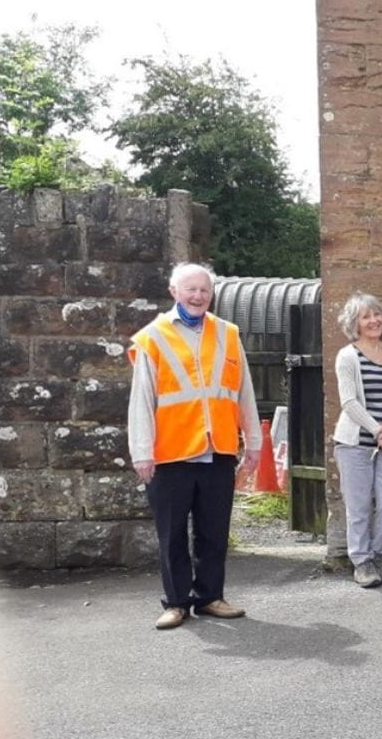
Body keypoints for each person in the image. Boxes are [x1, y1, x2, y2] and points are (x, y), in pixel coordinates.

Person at [126, 263, 262, 630]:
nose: (198, 296)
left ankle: (210, 597)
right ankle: (175, 602)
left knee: (214, 530)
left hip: (217, 448)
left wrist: (254, 442)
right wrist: (142, 451)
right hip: (171, 451)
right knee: (171, 534)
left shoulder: (228, 334)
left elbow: (243, 391)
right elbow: (141, 399)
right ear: (174, 291)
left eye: (204, 290)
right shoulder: (152, 338)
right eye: (190, 289)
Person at [331, 292, 382, 588]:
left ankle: (379, 553)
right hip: (355, 443)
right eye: (366, 316)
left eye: (376, 315)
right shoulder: (347, 356)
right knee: (359, 506)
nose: (373, 320)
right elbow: (349, 402)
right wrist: (378, 430)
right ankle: (362, 562)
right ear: (355, 323)